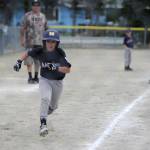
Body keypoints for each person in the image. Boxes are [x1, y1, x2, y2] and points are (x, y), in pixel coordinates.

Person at [13, 29, 71, 137]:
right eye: (48, 41)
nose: (50, 44)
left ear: (57, 43)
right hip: (45, 80)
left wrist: (56, 67)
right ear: (44, 42)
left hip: (58, 83)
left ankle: (48, 111)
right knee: (45, 99)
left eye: (53, 41)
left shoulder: (60, 53)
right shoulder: (40, 51)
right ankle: (43, 125)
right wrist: (19, 62)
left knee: (53, 106)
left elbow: (68, 69)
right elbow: (27, 53)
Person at [20, 0, 48, 83]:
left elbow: (46, 28)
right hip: (30, 42)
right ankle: (30, 77)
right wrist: (22, 39)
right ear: (32, 6)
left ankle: (36, 77)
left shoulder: (43, 16)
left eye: (37, 5)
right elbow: (23, 28)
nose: (36, 7)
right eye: (34, 5)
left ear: (39, 7)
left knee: (38, 61)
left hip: (40, 42)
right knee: (29, 60)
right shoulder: (27, 15)